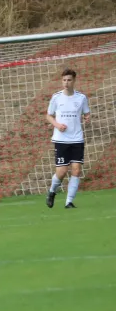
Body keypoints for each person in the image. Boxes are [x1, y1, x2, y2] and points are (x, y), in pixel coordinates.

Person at [45, 69, 90, 209]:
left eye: (69, 80)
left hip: (77, 139)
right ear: (61, 81)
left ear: (74, 81)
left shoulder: (81, 98)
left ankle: (69, 202)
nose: (66, 83)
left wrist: (87, 118)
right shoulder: (56, 97)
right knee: (62, 172)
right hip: (61, 139)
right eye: (64, 80)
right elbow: (49, 116)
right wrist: (57, 125)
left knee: (76, 170)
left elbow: (86, 113)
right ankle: (52, 192)